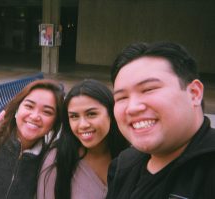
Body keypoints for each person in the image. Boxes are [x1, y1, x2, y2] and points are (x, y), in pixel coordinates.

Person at [106, 41, 215, 199]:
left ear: (194, 93)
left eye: (149, 89)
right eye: (121, 97)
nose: (132, 107)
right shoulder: (123, 165)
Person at [37, 79, 128, 199]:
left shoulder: (131, 155)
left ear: (111, 113)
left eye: (91, 114)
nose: (83, 125)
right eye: (74, 116)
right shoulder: (56, 159)